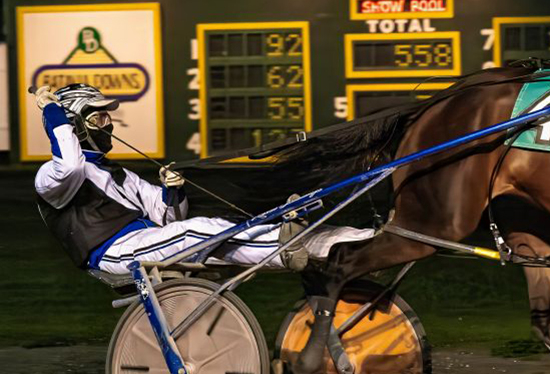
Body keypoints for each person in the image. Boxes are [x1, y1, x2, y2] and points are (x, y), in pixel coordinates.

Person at [34, 83, 373, 275]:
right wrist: (52, 112)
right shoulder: (52, 176)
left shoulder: (123, 175)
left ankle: (361, 242)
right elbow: (72, 166)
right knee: (200, 230)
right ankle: (286, 245)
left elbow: (168, 218)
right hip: (114, 254)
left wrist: (172, 192)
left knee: (232, 238)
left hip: (149, 242)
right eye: (99, 118)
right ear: (73, 125)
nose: (109, 125)